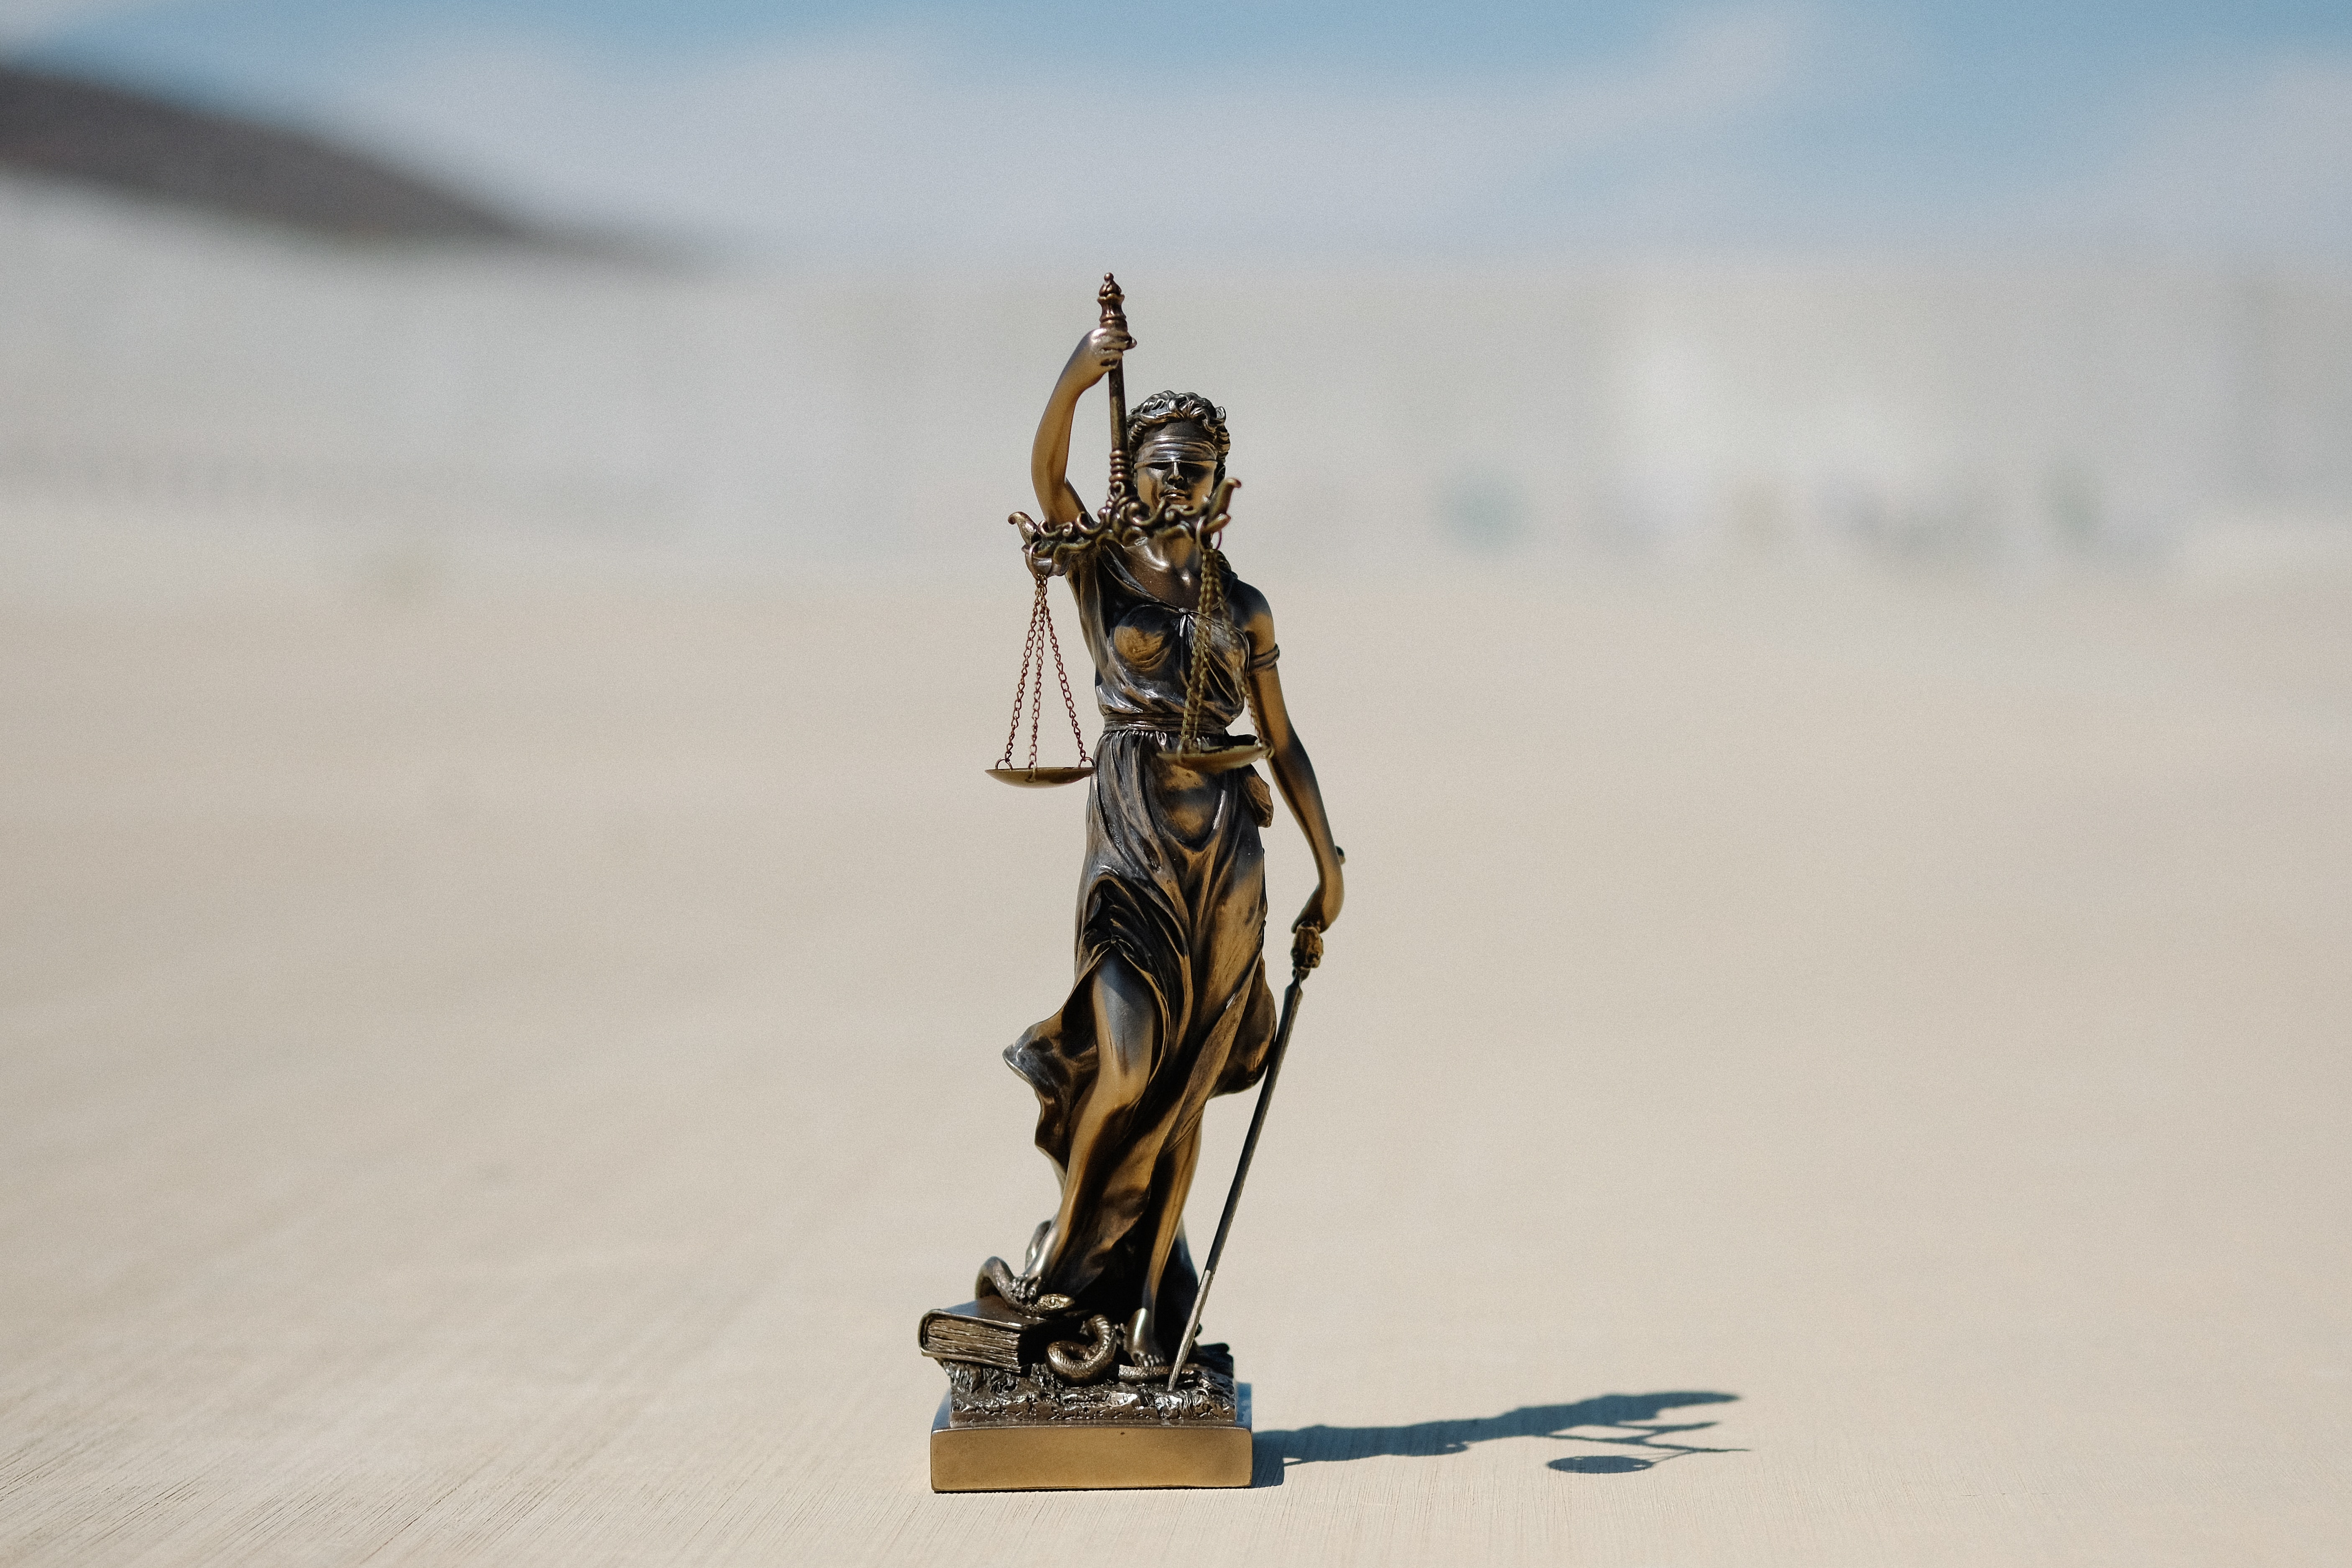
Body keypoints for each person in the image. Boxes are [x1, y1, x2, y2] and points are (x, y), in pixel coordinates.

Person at [990, 317, 1345, 1374]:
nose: (1179, 480)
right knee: (1125, 1056)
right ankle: (1067, 1263)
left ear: (1223, 485)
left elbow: (1282, 740)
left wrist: (1333, 868)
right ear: (1134, 479)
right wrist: (1077, 370)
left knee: (1186, 1083)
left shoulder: (1243, 604)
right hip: (1135, 834)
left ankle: (1147, 1305)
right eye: (1161, 466)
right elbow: (1047, 471)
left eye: (1198, 467)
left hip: (1227, 850)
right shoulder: (1101, 563)